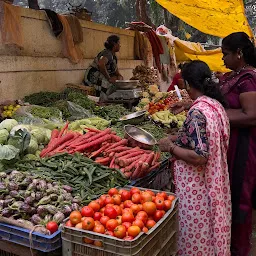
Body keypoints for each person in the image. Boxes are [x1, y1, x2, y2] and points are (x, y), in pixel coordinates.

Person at [159, 60, 231, 255]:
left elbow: (200, 156)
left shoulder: (198, 113)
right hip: (215, 183)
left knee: (196, 235)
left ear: (189, 85)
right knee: (210, 233)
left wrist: (171, 147)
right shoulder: (215, 105)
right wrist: (187, 106)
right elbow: (201, 137)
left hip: (198, 188)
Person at [220, 32, 256, 256]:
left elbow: (251, 115)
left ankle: (240, 248)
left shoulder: (249, 79)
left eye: (225, 53)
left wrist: (216, 114)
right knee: (231, 195)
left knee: (241, 197)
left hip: (244, 147)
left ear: (239, 53)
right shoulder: (235, 76)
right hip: (231, 144)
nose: (222, 58)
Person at [84, 35, 123, 102]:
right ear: (114, 44)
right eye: (119, 43)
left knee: (117, 82)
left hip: (101, 75)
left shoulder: (113, 56)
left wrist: (119, 76)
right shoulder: (107, 53)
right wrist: (109, 78)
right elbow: (101, 64)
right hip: (93, 76)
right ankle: (102, 101)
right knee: (107, 83)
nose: (120, 45)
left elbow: (116, 70)